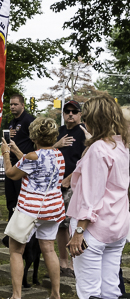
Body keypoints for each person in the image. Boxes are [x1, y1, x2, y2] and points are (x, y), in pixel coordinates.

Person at [61, 95, 130, 299]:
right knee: (111, 289)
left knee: (90, 293)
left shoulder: (98, 150)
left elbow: (90, 196)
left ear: (93, 119)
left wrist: (78, 232)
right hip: (117, 228)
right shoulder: (123, 146)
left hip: (93, 231)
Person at [0, 117, 65, 299]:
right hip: (53, 209)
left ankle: (16, 297)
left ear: (34, 135)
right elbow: (37, 165)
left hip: (30, 209)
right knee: (49, 249)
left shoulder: (32, 157)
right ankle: (56, 295)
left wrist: (6, 153)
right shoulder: (58, 155)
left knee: (16, 250)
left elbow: (11, 173)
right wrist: (17, 151)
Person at [53, 99, 87, 277]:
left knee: (72, 224)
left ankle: (75, 264)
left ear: (80, 114)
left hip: (75, 185)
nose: (71, 114)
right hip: (56, 185)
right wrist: (56, 145)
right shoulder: (59, 132)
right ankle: (63, 262)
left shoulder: (84, 133)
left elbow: (86, 161)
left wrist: (69, 178)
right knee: (60, 225)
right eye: (67, 111)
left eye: (74, 111)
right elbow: (45, 151)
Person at [4, 94, 35, 219]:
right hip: (11, 161)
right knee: (10, 197)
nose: (12, 107)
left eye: (15, 104)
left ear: (22, 105)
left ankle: (23, 230)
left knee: (20, 197)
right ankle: (11, 229)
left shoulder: (29, 120)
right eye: (11, 104)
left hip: (23, 162)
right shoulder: (12, 122)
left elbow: (36, 140)